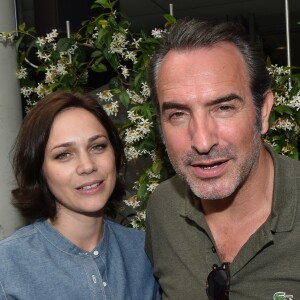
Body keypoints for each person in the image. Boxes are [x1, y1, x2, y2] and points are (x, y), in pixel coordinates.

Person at [145, 18, 300, 300]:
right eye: (178, 114)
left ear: (263, 112)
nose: (202, 142)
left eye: (224, 108)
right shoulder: (163, 209)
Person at [0, 91, 161, 300]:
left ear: (115, 154)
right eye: (63, 155)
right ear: (39, 170)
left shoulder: (145, 252)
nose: (87, 166)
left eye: (97, 146)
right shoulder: (8, 265)